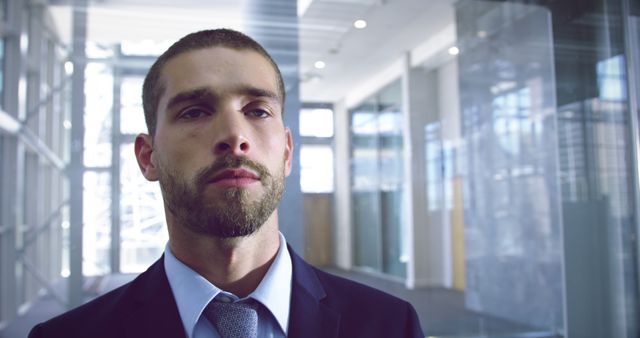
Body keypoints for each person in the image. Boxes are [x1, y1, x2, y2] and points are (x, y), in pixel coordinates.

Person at [28, 28, 424, 338]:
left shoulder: (391, 326)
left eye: (257, 110)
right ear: (148, 158)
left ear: (287, 152)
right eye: (195, 111)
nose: (235, 135)